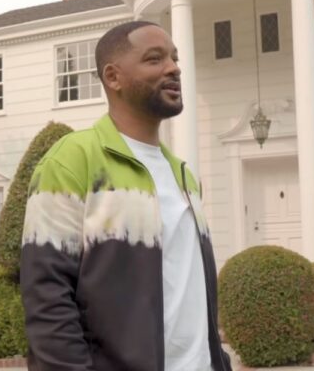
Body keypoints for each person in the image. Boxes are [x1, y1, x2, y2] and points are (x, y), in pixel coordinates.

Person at [20, 21, 232, 371]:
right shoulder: (73, 160)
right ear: (113, 77)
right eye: (154, 59)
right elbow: (47, 298)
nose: (173, 68)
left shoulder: (184, 176)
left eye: (175, 58)